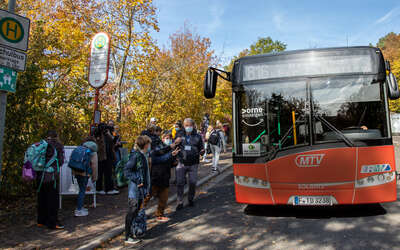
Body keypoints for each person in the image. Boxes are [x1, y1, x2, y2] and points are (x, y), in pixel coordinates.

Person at [144, 131, 180, 222]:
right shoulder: (155, 149)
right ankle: (139, 213)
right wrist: (170, 152)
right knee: (147, 196)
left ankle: (159, 214)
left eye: (169, 138)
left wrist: (174, 163)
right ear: (162, 139)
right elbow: (158, 159)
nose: (168, 140)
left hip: (165, 176)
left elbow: (169, 162)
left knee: (164, 198)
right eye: (166, 138)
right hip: (156, 176)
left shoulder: (169, 150)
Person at [124, 135, 152, 245]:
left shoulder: (143, 155)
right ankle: (127, 236)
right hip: (134, 190)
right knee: (132, 211)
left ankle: (132, 232)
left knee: (135, 211)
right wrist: (138, 179)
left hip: (140, 190)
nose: (149, 146)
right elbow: (127, 170)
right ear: (145, 145)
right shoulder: (136, 156)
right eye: (148, 144)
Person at [37, 130, 65, 230]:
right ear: (56, 136)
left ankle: (41, 221)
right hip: (51, 176)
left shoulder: (40, 144)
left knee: (42, 198)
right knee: (52, 200)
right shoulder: (57, 145)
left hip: (40, 176)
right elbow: (61, 161)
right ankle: (53, 223)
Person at [175, 118, 204, 210]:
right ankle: (180, 201)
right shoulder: (179, 134)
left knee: (193, 182)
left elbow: (201, 148)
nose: (188, 127)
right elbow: (173, 145)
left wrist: (202, 151)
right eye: (186, 125)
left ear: (193, 126)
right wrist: (176, 142)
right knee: (180, 182)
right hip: (181, 162)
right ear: (184, 126)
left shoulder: (197, 136)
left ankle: (190, 199)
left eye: (190, 125)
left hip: (193, 163)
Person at [73, 137, 98, 217]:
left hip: (77, 172)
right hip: (85, 174)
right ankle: (79, 210)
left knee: (81, 190)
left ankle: (80, 207)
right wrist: (95, 177)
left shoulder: (79, 148)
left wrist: (74, 172)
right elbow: (94, 165)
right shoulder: (93, 151)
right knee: (82, 191)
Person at [95, 123, 118, 195]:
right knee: (100, 173)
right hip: (100, 156)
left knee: (108, 173)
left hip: (109, 156)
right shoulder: (97, 134)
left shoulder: (108, 135)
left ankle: (109, 189)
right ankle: (99, 189)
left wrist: (111, 134)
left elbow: (113, 141)